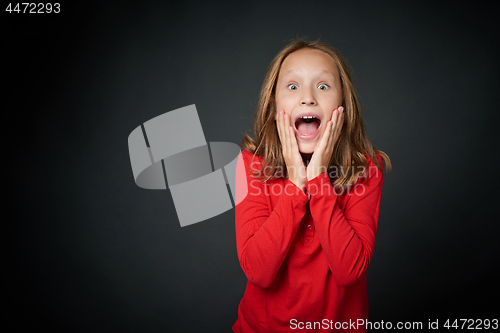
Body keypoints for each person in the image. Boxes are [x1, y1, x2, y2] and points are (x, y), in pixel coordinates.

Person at [232, 38, 392, 332]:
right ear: (274, 103)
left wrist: (318, 180)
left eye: (322, 86)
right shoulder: (251, 165)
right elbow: (259, 272)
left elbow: (350, 271)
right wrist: (295, 185)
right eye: (293, 87)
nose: (308, 98)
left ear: (342, 103)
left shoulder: (367, 170)